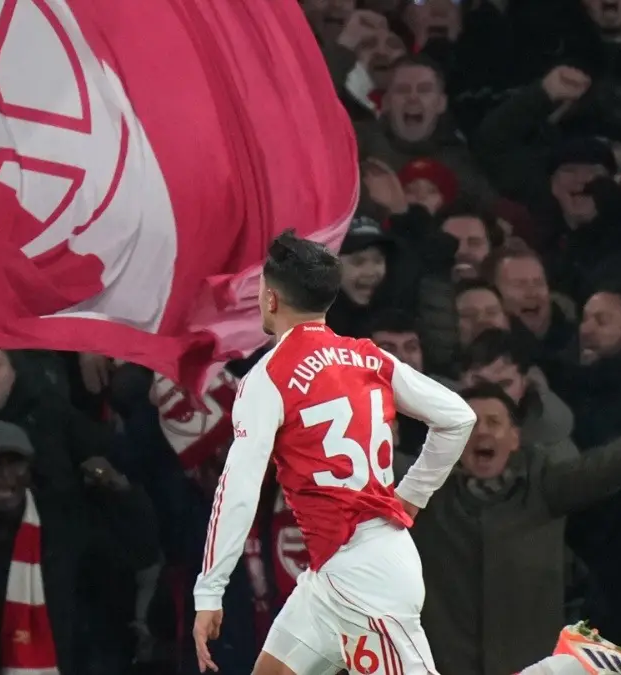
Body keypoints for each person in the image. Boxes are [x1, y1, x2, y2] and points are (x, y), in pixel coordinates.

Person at [192, 230, 476, 675]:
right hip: (337, 571)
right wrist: (413, 494)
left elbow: (239, 489)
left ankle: (574, 668)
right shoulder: (367, 357)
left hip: (364, 582)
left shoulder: (268, 379)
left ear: (270, 299)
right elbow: (458, 417)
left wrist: (210, 592)